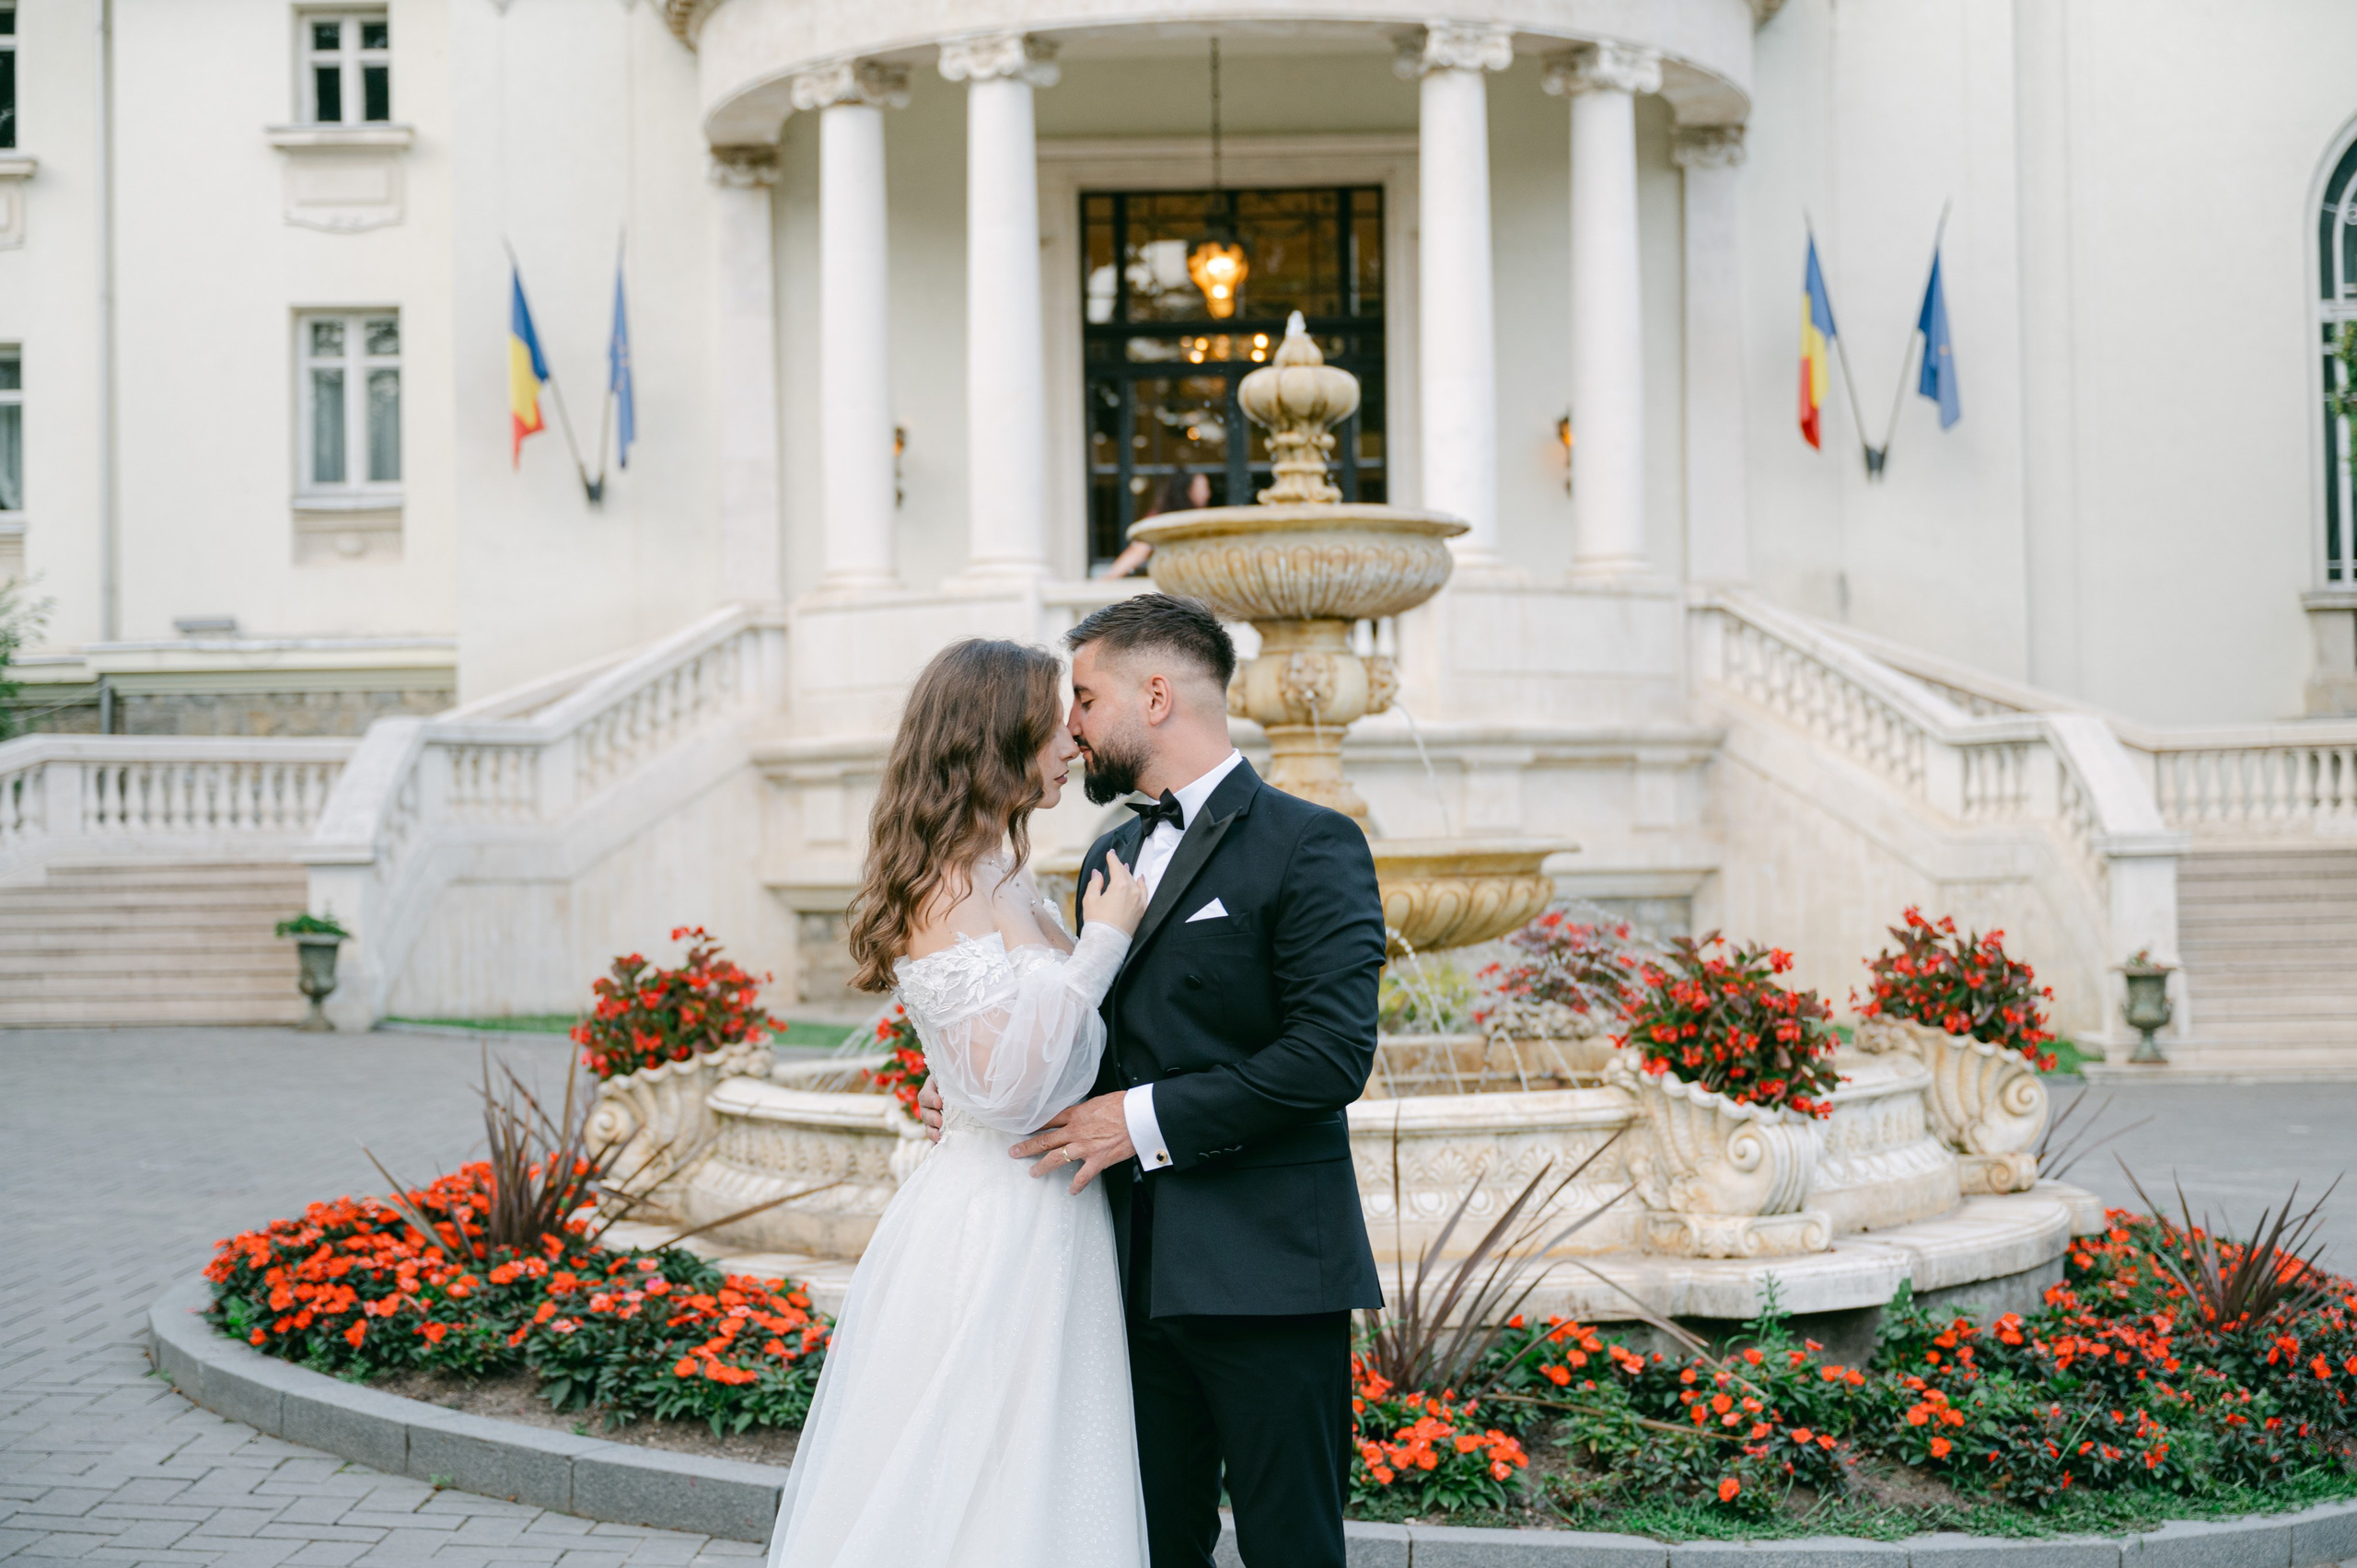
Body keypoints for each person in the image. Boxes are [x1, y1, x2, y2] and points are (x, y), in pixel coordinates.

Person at [920, 594, 1389, 1568]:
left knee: (1291, 1544)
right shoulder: (1109, 852)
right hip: (1117, 1274)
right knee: (1144, 1544)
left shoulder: (1313, 843)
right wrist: (982, 1091)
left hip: (1266, 1274)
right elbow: (1081, 1037)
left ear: (1158, 693)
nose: (1071, 725)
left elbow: (1329, 1054)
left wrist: (1135, 1120)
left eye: (1085, 697)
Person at [765, 637, 1154, 1568]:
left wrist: (959, 1074)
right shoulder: (943, 887)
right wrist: (1101, 944)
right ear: (994, 739)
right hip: (995, 1220)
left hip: (1049, 1207)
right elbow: (1014, 1088)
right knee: (971, 1466)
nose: (1072, 741)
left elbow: (1003, 1050)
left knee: (1046, 1465)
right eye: (1052, 723)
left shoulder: (1002, 875)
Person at [1097, 469, 1213, 579]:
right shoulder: (1161, 520)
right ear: (1188, 490)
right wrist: (1107, 579)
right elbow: (1138, 550)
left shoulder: (1200, 520)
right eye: (1202, 488)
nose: (1207, 494)